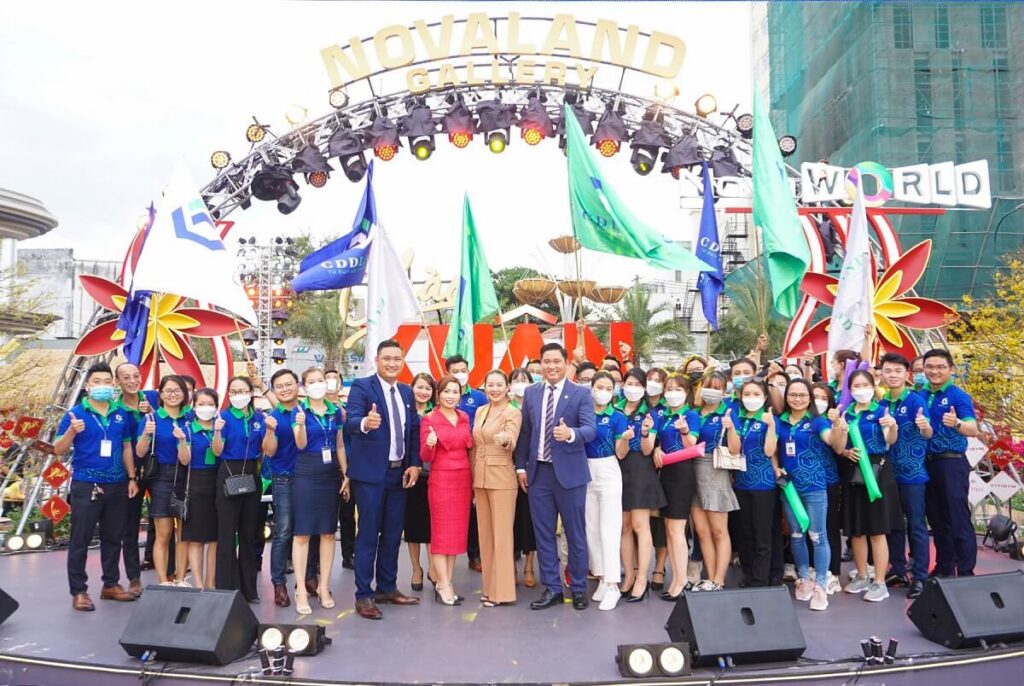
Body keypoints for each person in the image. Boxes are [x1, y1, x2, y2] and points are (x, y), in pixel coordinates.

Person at [514, 342, 596, 610]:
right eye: (546, 362)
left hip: (570, 475)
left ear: (566, 363)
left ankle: (579, 588)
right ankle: (552, 588)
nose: (551, 366)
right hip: (539, 474)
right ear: (540, 365)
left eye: (556, 361)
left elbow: (590, 430)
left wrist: (570, 434)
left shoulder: (581, 393)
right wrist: (521, 467)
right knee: (543, 534)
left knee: (575, 534)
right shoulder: (532, 393)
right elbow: (525, 433)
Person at [345, 339, 422, 620]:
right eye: (387, 358)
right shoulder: (362, 387)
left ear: (403, 362)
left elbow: (413, 430)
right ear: (377, 360)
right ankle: (364, 595)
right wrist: (366, 423)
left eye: (397, 359)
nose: (392, 363)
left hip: (399, 474)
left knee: (392, 534)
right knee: (368, 534)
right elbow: (351, 420)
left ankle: (387, 588)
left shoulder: (406, 392)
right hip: (370, 476)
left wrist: (414, 463)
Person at [55, 363, 139, 611]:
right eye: (97, 381)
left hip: (117, 483)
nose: (102, 386)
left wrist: (132, 477)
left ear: (113, 385)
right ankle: (79, 591)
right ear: (88, 385)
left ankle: (110, 584)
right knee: (80, 538)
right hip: (86, 483)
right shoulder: (75, 414)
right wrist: (72, 432)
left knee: (113, 537)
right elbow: (58, 450)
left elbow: (127, 447)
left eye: (106, 382)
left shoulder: (121, 413)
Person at [275, 367, 347, 615]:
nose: (318, 384)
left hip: (330, 474)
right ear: (304, 387)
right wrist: (301, 427)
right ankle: (301, 591)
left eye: (321, 380)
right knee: (302, 534)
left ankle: (324, 586)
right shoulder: (299, 411)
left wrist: (346, 473)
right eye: (312, 381)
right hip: (306, 473)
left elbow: (339, 445)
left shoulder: (335, 411)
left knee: (328, 533)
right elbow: (301, 444)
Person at [832, 370, 901, 602]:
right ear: (850, 390)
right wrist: (844, 444)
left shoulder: (882, 411)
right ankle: (861, 575)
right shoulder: (846, 413)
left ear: (873, 386)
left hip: (876, 472)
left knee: (877, 530)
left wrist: (892, 426)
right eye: (856, 386)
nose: (861, 390)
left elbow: (890, 440)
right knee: (856, 529)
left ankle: (879, 581)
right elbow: (838, 447)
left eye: (865, 385)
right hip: (853, 473)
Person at [778, 379, 843, 610]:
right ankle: (804, 578)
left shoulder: (817, 421)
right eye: (793, 394)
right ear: (786, 397)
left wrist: (838, 427)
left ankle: (821, 585)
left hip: (815, 486)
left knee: (818, 535)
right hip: (789, 488)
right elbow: (773, 449)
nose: (798, 399)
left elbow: (833, 441)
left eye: (803, 395)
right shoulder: (780, 421)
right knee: (796, 534)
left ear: (809, 398)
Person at [919, 348, 980, 578]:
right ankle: (944, 567)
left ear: (951, 369)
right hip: (926, 464)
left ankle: (965, 572)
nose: (934, 371)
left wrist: (956, 423)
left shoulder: (958, 396)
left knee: (957, 518)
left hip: (951, 463)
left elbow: (973, 429)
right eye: (930, 367)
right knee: (936, 519)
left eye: (940, 367)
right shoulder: (919, 395)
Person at [877, 353, 932, 599]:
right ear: (881, 374)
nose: (893, 375)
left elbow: (928, 432)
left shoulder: (916, 401)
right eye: (888, 371)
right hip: (888, 474)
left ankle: (920, 576)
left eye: (898, 371)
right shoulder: (881, 403)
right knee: (894, 525)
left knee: (917, 525)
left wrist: (925, 427)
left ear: (906, 374)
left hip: (913, 474)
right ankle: (898, 569)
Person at [682, 372, 738, 591]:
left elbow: (735, 449)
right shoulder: (693, 413)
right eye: (708, 386)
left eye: (717, 387)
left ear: (724, 391)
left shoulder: (728, 412)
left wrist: (731, 427)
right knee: (702, 532)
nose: (712, 391)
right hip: (693, 471)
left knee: (718, 531)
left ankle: (719, 580)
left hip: (715, 470)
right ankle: (710, 578)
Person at [471, 370, 522, 607]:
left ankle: (502, 592)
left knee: (502, 537)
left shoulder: (512, 412)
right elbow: (475, 445)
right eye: (490, 384)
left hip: (502, 478)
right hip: (480, 478)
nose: (494, 389)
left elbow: (512, 437)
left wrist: (505, 439)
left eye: (499, 385)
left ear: (507, 387)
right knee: (485, 536)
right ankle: (489, 588)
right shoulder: (481, 410)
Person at [420, 376, 473, 605]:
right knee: (441, 535)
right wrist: (430, 444)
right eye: (446, 391)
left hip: (463, 479)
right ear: (438, 394)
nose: (451, 396)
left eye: (455, 392)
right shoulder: (429, 419)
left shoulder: (464, 417)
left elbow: (470, 447)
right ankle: (442, 584)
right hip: (441, 480)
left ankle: (447, 581)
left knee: (456, 535)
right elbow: (425, 455)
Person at [616, 368, 667, 601]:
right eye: (629, 383)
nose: (633, 388)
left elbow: (648, 450)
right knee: (624, 527)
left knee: (640, 525)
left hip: (640, 470)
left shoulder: (650, 413)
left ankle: (641, 579)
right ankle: (628, 575)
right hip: (618, 469)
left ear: (644, 388)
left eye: (638, 384)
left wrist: (645, 433)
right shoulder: (616, 409)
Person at [214, 376, 265, 603]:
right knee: (226, 533)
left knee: (249, 533)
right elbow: (217, 451)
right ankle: (227, 587)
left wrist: (270, 431)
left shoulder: (259, 418)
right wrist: (217, 432)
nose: (237, 395)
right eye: (233, 391)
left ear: (251, 393)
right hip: (229, 472)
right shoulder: (223, 417)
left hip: (252, 473)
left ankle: (249, 589)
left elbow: (267, 449)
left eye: (242, 390)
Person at [135, 375, 190, 586]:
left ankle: (180, 578)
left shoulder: (190, 418)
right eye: (168, 390)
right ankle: (163, 581)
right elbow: (140, 452)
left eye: (177, 390)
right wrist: (146, 435)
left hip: (187, 476)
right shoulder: (151, 419)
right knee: (163, 533)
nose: (173, 394)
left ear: (184, 394)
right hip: (161, 478)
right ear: (161, 394)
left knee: (184, 533)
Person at [727, 379, 781, 589]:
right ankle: (748, 573)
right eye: (747, 394)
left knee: (762, 534)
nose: (751, 398)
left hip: (763, 485)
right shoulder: (738, 417)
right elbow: (734, 449)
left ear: (765, 397)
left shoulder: (769, 419)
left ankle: (760, 579)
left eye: (756, 394)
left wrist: (771, 426)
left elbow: (769, 451)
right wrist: (731, 428)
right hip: (741, 483)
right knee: (745, 533)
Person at [265, 369, 308, 608]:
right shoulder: (272, 417)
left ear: (298, 385)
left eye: (288, 384)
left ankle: (310, 578)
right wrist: (270, 430)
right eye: (279, 386)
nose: (285, 389)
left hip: (311, 478)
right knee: (283, 532)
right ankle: (279, 583)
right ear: (274, 390)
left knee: (308, 531)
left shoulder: (310, 410)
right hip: (284, 478)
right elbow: (269, 451)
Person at [585, 371, 628, 610]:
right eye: (599, 387)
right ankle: (601, 577)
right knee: (591, 528)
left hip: (609, 469)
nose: (603, 392)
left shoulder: (618, 417)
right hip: (585, 470)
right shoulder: (584, 413)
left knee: (608, 528)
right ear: (591, 388)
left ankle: (613, 584)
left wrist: (625, 439)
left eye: (608, 388)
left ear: (614, 392)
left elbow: (621, 453)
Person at [652, 374, 697, 600]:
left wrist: (685, 431)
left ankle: (682, 580)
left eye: (678, 389)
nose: (672, 392)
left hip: (682, 474)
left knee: (678, 530)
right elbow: (659, 441)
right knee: (669, 529)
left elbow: (692, 445)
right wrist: (657, 449)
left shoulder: (691, 415)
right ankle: (676, 578)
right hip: (666, 473)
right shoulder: (664, 415)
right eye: (669, 388)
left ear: (687, 392)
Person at [113, 362, 153, 597]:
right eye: (126, 377)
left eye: (135, 376)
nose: (132, 381)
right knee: (130, 525)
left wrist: (151, 413)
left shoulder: (153, 399)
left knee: (165, 521)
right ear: (117, 381)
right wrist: (130, 476)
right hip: (130, 473)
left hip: (158, 470)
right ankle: (134, 577)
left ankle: (170, 574)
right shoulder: (114, 409)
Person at [445, 354, 486, 573]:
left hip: (475, 456)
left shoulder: (479, 397)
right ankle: (445, 557)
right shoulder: (443, 395)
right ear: (447, 373)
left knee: (475, 505)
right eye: (455, 371)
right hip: (449, 458)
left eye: (463, 370)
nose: (460, 374)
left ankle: (475, 553)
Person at [180, 388, 222, 590]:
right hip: (196, 483)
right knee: (195, 539)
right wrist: (181, 441)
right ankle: (197, 583)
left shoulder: (221, 426)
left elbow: (218, 451)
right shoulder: (187, 429)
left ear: (217, 407)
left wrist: (218, 432)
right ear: (193, 406)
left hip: (218, 482)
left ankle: (210, 582)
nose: (206, 408)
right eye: (201, 404)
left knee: (214, 539)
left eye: (210, 404)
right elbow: (184, 460)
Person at [811, 382, 844, 594]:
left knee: (829, 527)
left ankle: (833, 572)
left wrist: (837, 426)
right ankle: (812, 570)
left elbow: (838, 446)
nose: (819, 402)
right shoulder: (801, 420)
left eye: (824, 398)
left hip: (828, 479)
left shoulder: (831, 421)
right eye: (815, 396)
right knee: (810, 529)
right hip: (805, 482)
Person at [405, 372, 436, 591]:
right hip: (409, 475)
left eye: (428, 388)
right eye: (420, 387)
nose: (423, 392)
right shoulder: (404, 411)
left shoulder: (437, 413)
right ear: (412, 388)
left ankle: (434, 568)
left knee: (432, 526)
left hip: (433, 475)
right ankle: (416, 568)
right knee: (413, 525)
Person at [508, 367, 537, 586]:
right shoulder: (504, 407)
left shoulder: (535, 406)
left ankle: (529, 566)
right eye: (516, 380)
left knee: (529, 519)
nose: (520, 384)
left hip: (531, 470)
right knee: (510, 521)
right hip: (506, 470)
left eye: (524, 380)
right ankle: (510, 566)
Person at [327, 368, 356, 571]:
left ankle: (349, 554)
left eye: (334, 379)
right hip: (324, 468)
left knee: (347, 514)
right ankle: (315, 561)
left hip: (346, 467)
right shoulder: (313, 408)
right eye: (327, 378)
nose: (330, 382)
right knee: (325, 516)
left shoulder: (347, 408)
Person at [644, 367, 670, 592]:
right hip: (638, 469)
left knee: (661, 522)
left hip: (663, 469)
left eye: (658, 380)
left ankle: (659, 568)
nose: (653, 383)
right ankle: (637, 569)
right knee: (639, 523)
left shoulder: (667, 410)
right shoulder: (636, 406)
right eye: (649, 379)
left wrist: (659, 447)